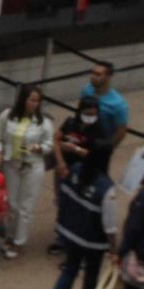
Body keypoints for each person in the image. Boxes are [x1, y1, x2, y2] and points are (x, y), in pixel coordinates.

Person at [43, 141, 118, 289]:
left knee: (69, 270)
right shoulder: (106, 188)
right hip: (92, 241)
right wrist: (114, 249)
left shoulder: (75, 170)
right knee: (91, 275)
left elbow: (64, 195)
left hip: (70, 232)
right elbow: (109, 226)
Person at [0, 84, 54, 259]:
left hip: (33, 166)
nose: (34, 104)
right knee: (11, 203)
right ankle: (10, 235)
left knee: (26, 206)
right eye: (31, 100)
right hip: (12, 164)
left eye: (37, 101)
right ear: (23, 99)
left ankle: (18, 241)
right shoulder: (8, 116)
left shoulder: (44, 122)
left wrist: (38, 147)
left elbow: (49, 145)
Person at [50, 96, 110, 255]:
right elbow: (56, 140)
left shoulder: (100, 130)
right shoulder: (70, 122)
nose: (89, 117)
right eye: (86, 113)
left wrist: (76, 149)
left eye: (93, 114)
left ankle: (77, 239)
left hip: (85, 173)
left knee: (80, 206)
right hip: (65, 169)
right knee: (63, 202)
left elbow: (97, 154)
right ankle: (61, 237)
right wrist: (60, 161)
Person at [82, 61, 129, 148]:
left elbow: (121, 133)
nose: (92, 77)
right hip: (83, 138)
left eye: (98, 74)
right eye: (92, 73)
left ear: (108, 76)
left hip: (100, 145)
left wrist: (106, 149)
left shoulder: (118, 104)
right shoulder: (86, 90)